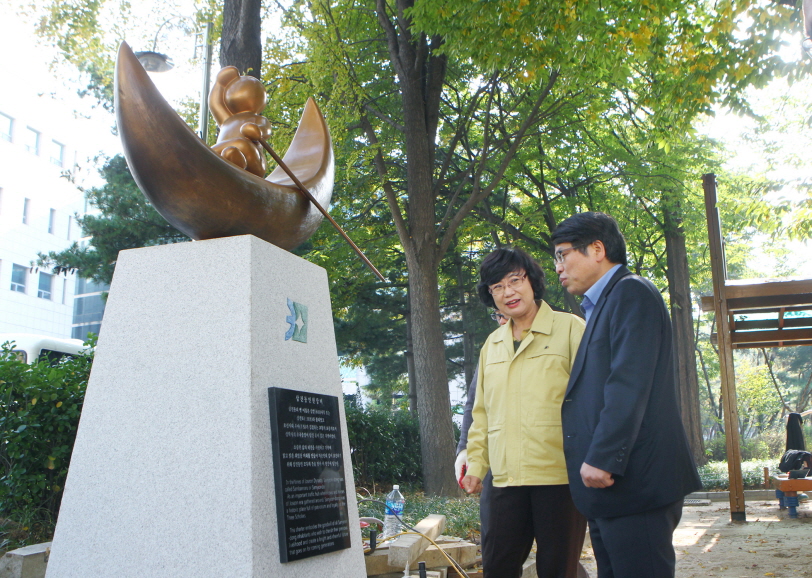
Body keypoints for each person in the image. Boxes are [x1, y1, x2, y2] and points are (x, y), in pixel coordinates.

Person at [551, 212, 702, 578]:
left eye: (562, 254)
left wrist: (603, 456)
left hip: (635, 482)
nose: (558, 267)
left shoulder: (631, 292)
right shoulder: (604, 303)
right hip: (613, 489)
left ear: (597, 249)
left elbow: (628, 382)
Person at [462, 247, 587, 578]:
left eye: (515, 281)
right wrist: (476, 465)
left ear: (532, 282)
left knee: (558, 570)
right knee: (497, 568)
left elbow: (593, 399)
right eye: (497, 287)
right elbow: (481, 414)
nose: (508, 292)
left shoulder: (571, 329)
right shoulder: (492, 345)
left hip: (559, 477)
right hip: (504, 479)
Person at [455, 309, 508, 546]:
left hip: (551, 468)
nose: (502, 320)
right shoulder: (492, 346)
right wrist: (464, 449)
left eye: (506, 314)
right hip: (498, 465)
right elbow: (475, 404)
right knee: (497, 549)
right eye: (498, 315)